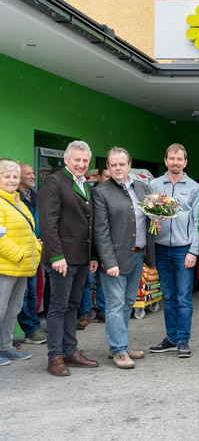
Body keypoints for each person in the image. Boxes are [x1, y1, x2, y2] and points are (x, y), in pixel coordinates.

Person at [38, 141, 99, 376]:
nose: (81, 164)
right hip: (62, 259)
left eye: (85, 160)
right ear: (66, 160)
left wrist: (92, 255)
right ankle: (55, 357)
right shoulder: (54, 183)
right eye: (77, 160)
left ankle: (70, 351)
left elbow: (89, 224)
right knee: (58, 307)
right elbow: (48, 222)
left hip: (81, 258)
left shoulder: (86, 186)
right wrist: (56, 256)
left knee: (73, 306)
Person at [93, 148, 156, 369]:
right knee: (115, 303)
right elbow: (100, 231)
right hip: (115, 258)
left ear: (129, 165)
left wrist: (157, 219)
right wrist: (108, 262)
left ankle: (118, 345)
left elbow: (148, 218)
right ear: (108, 168)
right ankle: (119, 350)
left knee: (128, 302)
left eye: (122, 164)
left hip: (138, 254)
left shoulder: (142, 187)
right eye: (113, 165)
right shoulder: (101, 192)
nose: (118, 168)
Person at [149, 144, 199, 358]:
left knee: (183, 297)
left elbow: (198, 221)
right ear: (165, 161)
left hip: (183, 250)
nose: (175, 162)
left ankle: (183, 340)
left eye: (179, 159)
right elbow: (147, 216)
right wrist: (154, 224)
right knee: (168, 296)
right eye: (172, 158)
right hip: (161, 249)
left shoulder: (193, 187)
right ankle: (171, 338)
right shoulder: (154, 185)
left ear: (185, 162)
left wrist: (193, 251)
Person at [0, 159, 42, 366]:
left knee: (13, 309)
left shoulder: (17, 199)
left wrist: (37, 249)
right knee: (0, 308)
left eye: (15, 176)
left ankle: (6, 347)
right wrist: (19, 255)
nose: (12, 180)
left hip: (22, 266)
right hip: (6, 266)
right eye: (6, 176)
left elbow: (29, 230)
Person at [16, 162, 46, 344]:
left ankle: (33, 327)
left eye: (32, 173)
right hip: (21, 252)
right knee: (24, 293)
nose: (33, 176)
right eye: (28, 173)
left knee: (33, 292)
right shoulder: (14, 198)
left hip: (35, 250)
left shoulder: (34, 196)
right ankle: (30, 329)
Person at [78, 166, 110, 328]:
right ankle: (85, 313)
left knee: (104, 281)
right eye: (106, 176)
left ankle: (103, 312)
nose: (109, 179)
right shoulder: (89, 193)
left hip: (105, 245)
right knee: (88, 281)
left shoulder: (114, 194)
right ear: (98, 177)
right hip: (89, 245)